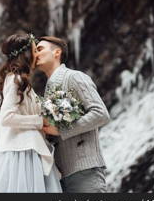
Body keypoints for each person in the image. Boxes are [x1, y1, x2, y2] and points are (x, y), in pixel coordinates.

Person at [0, 33, 62, 192]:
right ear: (26, 55)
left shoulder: (22, 82)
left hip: (28, 149)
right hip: (22, 153)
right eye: (35, 50)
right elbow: (6, 117)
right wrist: (40, 121)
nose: (37, 54)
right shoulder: (15, 80)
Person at [36, 36, 110, 193]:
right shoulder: (49, 90)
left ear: (57, 52)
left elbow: (101, 113)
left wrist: (61, 131)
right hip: (63, 175)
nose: (35, 54)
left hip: (85, 170)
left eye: (40, 49)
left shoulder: (74, 77)